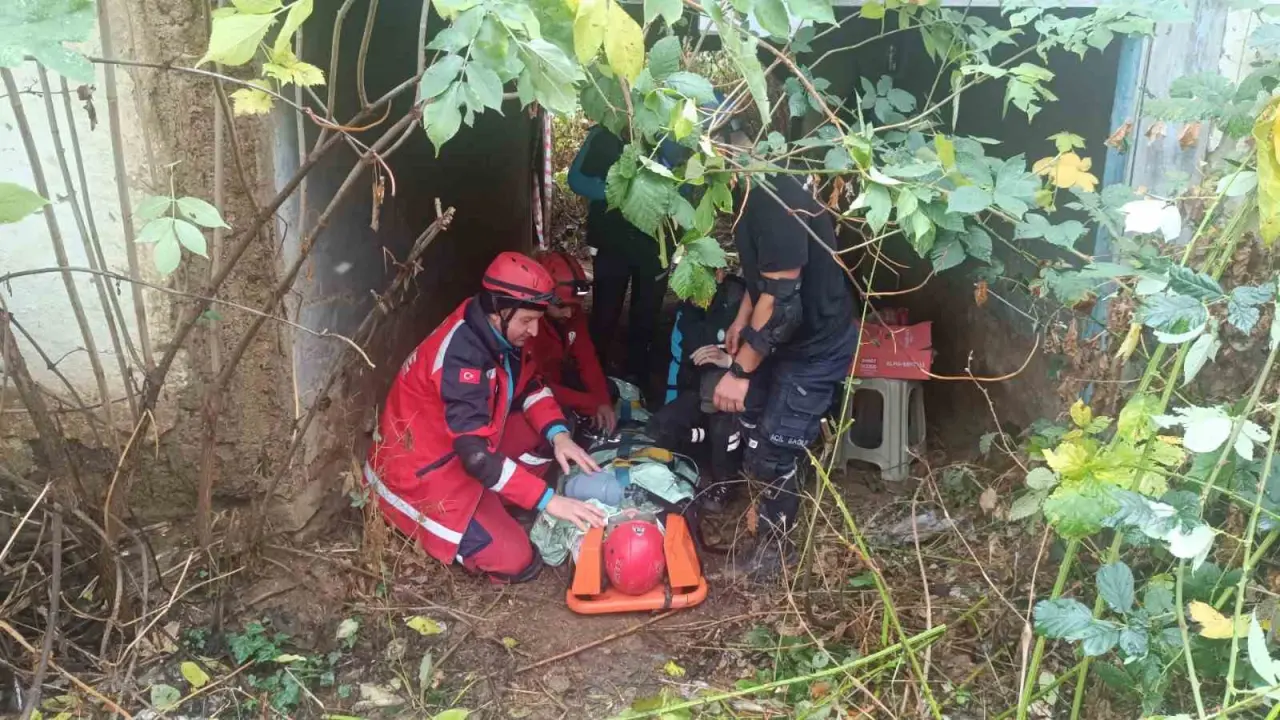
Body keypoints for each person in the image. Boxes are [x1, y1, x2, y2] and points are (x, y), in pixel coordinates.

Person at [365, 252, 606, 584]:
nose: (535, 330)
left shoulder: (497, 332)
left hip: (458, 449)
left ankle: (497, 499)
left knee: (552, 427)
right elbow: (476, 458)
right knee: (518, 560)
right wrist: (548, 500)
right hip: (421, 477)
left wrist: (559, 436)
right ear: (498, 312)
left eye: (537, 319)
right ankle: (443, 522)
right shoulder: (461, 356)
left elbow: (531, 385)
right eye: (526, 321)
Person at [711, 126, 860, 581]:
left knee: (775, 451)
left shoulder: (774, 199)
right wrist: (740, 320)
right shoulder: (746, 193)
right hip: (783, 334)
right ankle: (763, 514)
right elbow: (763, 278)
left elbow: (783, 301)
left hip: (815, 342)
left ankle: (773, 558)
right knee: (755, 429)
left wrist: (739, 370)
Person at [567, 126, 682, 395]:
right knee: (605, 314)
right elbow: (576, 180)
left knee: (646, 318)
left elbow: (685, 191)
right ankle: (595, 381)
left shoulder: (673, 136)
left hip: (656, 246)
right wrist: (623, 194)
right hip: (612, 242)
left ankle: (638, 383)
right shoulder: (604, 135)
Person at [647, 271, 748, 511]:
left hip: (738, 394)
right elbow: (678, 359)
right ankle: (700, 448)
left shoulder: (742, 300)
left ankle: (726, 480)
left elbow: (766, 357)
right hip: (697, 392)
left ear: (720, 273)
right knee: (660, 427)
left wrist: (729, 362)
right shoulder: (688, 310)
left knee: (722, 419)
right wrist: (672, 401)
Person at [529, 250, 617, 435]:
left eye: (574, 305)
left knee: (609, 391)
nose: (569, 313)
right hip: (535, 391)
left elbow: (587, 359)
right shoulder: (528, 326)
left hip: (558, 380)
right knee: (563, 421)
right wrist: (589, 404)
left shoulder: (573, 315)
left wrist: (602, 401)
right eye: (561, 306)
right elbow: (535, 385)